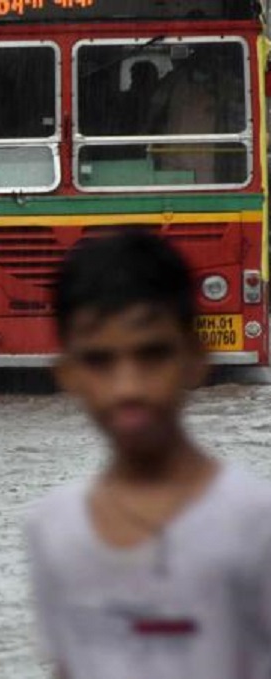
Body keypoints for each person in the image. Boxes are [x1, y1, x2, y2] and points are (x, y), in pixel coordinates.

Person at [27, 230, 271, 679]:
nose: (128, 388)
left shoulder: (256, 525)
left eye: (152, 355)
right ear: (67, 374)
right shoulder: (51, 528)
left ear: (197, 357)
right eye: (100, 361)